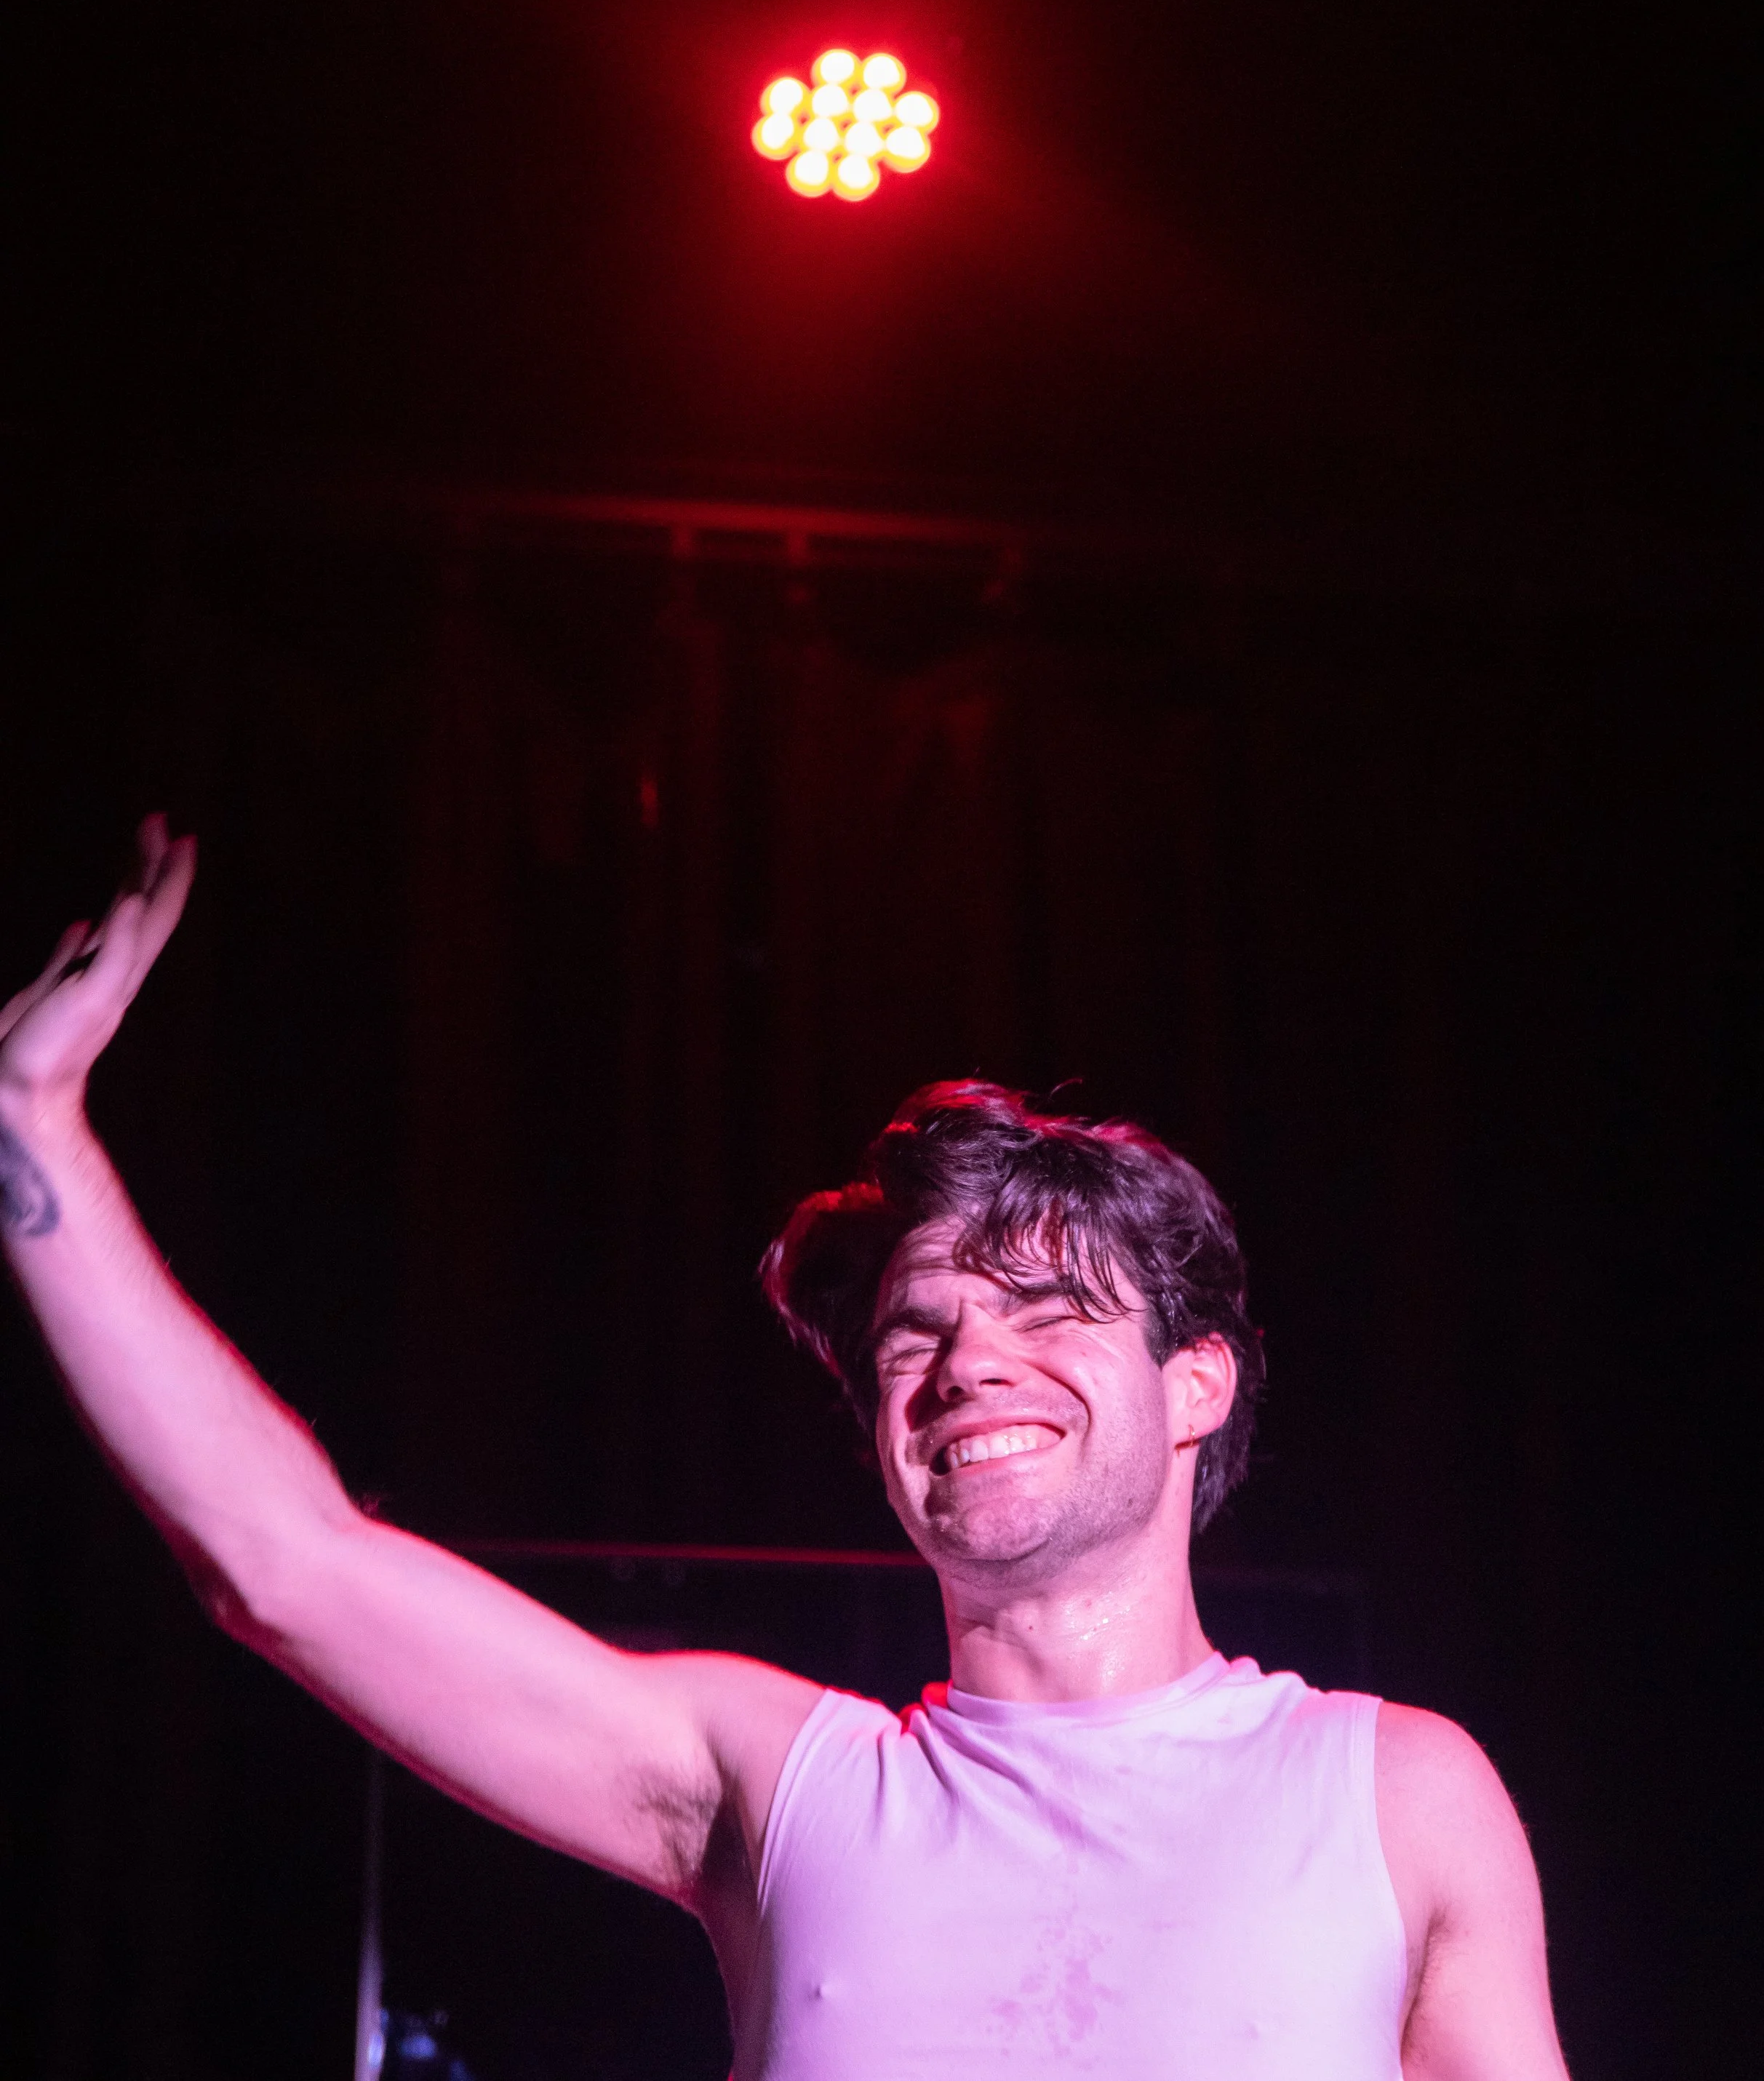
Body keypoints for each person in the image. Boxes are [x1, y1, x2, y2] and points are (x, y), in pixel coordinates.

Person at [1, 819, 1571, 2079]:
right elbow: (290, 1568)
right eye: (916, 1334)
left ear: (1195, 1387)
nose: (966, 1362)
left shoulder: (1389, 1795)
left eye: (1045, 1311)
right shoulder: (781, 1789)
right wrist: (33, 1123)